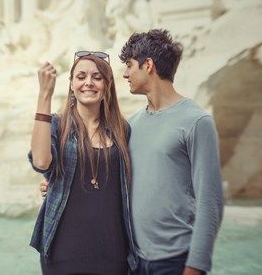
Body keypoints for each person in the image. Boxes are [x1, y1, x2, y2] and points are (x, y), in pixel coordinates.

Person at [40, 29, 224, 275]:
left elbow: (210, 202)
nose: (125, 73)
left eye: (129, 65)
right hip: (133, 261)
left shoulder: (196, 122)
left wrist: (195, 267)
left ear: (148, 65)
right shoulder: (129, 126)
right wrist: (55, 184)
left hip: (175, 261)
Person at [28, 51, 138, 274]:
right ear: (71, 84)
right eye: (81, 77)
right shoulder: (58, 125)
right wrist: (44, 95)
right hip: (63, 252)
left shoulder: (121, 129)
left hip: (113, 252)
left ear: (107, 85)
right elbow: (41, 162)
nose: (89, 83)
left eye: (97, 77)